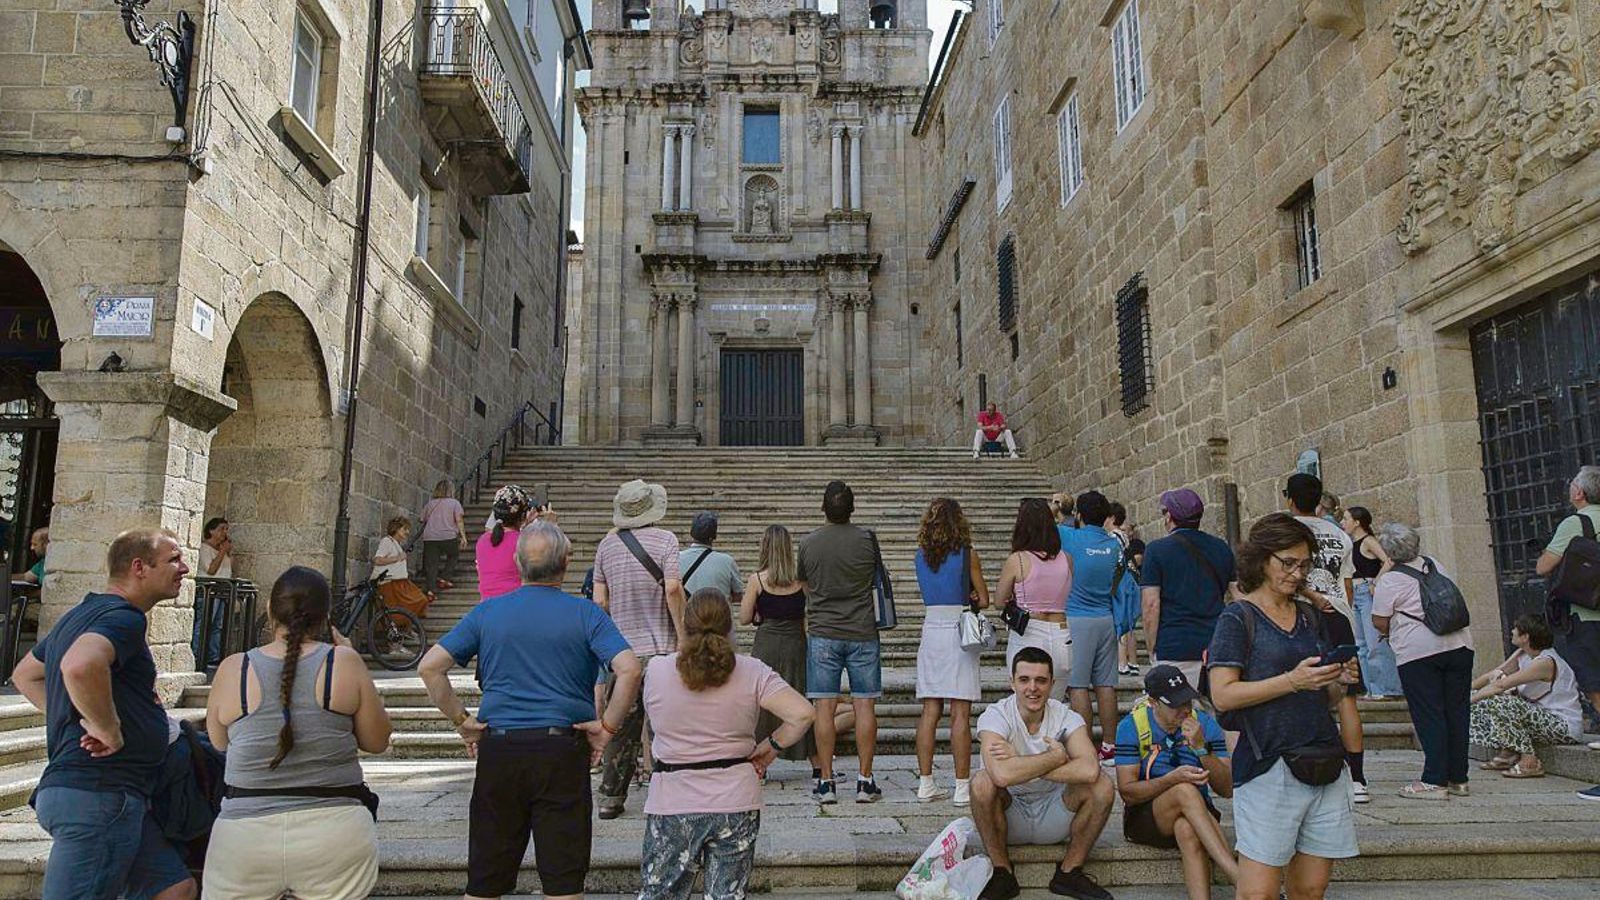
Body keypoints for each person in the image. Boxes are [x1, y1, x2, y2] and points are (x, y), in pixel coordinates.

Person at [418, 520, 644, 900]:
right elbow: (630, 668)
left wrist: (463, 721)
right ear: (565, 564)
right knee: (563, 880)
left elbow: (430, 667)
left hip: (500, 748)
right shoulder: (586, 614)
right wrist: (606, 728)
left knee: (485, 880)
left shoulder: (487, 612)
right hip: (561, 749)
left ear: (518, 563)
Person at [9, 528, 197, 900]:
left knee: (175, 888)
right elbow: (80, 665)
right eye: (174, 559)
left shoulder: (81, 614)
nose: (185, 568)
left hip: (111, 793)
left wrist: (77, 712)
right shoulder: (124, 618)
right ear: (139, 567)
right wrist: (105, 727)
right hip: (98, 794)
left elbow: (26, 673)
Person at [202, 566, 392, 899]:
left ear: (269, 610)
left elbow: (220, 742)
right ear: (326, 618)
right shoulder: (343, 662)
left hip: (245, 834)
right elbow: (377, 742)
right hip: (333, 829)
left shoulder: (235, 667)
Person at [1207, 514, 1358, 900]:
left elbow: (1323, 698)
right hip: (1268, 765)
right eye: (1287, 562)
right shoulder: (1238, 619)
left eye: (1304, 564)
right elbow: (1223, 695)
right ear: (1261, 560)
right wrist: (1292, 680)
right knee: (1258, 892)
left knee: (1310, 888)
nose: (1296, 573)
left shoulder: (1309, 617)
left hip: (1321, 758)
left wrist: (1336, 681)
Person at [638, 591, 816, 900]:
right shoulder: (752, 671)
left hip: (673, 798)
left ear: (685, 623)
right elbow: (803, 714)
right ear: (729, 626)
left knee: (660, 894)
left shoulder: (657, 669)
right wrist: (771, 746)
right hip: (735, 798)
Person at [971, 646, 1115, 900]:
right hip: (1008, 814)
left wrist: (1022, 762)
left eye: (1041, 680)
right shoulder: (996, 715)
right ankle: (1002, 872)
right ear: (1012, 682)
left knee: (1102, 785)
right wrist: (1056, 757)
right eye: (1024, 680)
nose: (1032, 688)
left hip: (1055, 812)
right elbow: (1001, 776)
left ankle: (1070, 872)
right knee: (982, 782)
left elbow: (1090, 769)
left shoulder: (1066, 717)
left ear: (1052, 684)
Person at [593, 478, 686, 818]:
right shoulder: (666, 540)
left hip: (624, 655)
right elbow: (673, 589)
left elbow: (599, 601)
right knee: (664, 725)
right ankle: (669, 791)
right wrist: (683, 636)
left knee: (621, 726)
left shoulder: (607, 546)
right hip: (662, 650)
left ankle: (611, 798)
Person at [1370, 522, 1475, 799]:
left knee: (1430, 713)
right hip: (1459, 645)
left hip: (1418, 652)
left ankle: (1434, 780)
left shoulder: (1390, 580)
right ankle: (1458, 778)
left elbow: (1379, 621)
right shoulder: (1435, 564)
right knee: (1457, 711)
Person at [1114, 666, 1237, 900]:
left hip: (1198, 813)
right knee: (1183, 789)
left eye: (1187, 702)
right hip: (1146, 816)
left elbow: (1227, 788)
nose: (1184, 710)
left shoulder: (1204, 724)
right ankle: (1239, 878)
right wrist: (1173, 778)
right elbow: (1128, 793)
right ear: (1153, 702)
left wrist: (1201, 748)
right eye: (1175, 704)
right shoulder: (1132, 726)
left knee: (1186, 827)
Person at [1285, 472, 1370, 803]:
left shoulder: (1291, 531)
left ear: (1290, 499)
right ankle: (1358, 778)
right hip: (1339, 615)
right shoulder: (1339, 534)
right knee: (1347, 696)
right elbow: (1346, 583)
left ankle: (1308, 767)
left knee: (1301, 689)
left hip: (1304, 613)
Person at [798, 479, 884, 804]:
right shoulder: (867, 540)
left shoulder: (808, 543)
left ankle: (826, 782)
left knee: (824, 707)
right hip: (862, 630)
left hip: (823, 631)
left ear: (823, 507)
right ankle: (864, 781)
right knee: (865, 704)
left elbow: (803, 582)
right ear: (852, 508)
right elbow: (875, 578)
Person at [912, 498, 990, 804]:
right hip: (959, 630)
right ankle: (961, 786)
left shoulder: (920, 557)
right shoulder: (968, 555)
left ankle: (925, 782)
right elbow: (983, 599)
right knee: (961, 711)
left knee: (930, 709)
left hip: (932, 628)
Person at [741, 525, 824, 765]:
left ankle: (759, 761)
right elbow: (810, 612)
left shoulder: (757, 580)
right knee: (800, 699)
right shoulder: (800, 581)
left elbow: (745, 618)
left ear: (765, 547)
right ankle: (816, 764)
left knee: (762, 702)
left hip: (766, 643)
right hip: (795, 644)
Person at [1140, 489, 1235, 688]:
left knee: (1176, 716)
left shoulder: (1156, 550)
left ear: (1170, 517)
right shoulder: (1221, 548)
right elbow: (1239, 594)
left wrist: (1152, 649)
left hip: (1175, 646)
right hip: (1216, 647)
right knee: (1216, 714)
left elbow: (1151, 605)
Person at [1471, 614, 1581, 780]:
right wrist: (1464, 692)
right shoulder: (1522, 654)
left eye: (1516, 629)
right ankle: (1509, 751)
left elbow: (1500, 685)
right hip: (1539, 720)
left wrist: (1463, 702)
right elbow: (1492, 676)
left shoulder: (1545, 662)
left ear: (1526, 637)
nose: (1512, 631)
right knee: (1481, 701)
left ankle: (1529, 760)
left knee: (1500, 702)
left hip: (1562, 725)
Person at [1059, 491, 1123, 764]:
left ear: (1080, 515)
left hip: (1077, 618)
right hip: (1105, 617)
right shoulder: (1113, 544)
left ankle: (1083, 745)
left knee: (1078, 686)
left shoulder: (1071, 537)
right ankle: (1110, 744)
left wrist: (1058, 505)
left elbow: (1047, 522)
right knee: (1106, 684)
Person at [1536, 466, 1600, 733]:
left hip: (1586, 611)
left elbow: (1544, 566)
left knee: (1591, 673)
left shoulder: (1576, 523)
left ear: (1579, 492)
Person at [997, 498, 1074, 701]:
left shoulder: (1018, 560)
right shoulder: (1067, 559)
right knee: (1055, 705)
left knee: (1026, 703)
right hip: (1061, 633)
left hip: (1028, 631)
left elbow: (999, 601)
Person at [1341, 506, 1400, 698]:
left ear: (1357, 522)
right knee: (1361, 645)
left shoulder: (1368, 541)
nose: (1343, 523)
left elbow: (1389, 561)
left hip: (1366, 591)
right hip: (1355, 593)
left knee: (1375, 643)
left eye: (1346, 519)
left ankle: (1387, 688)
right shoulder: (1352, 543)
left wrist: (1377, 581)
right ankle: (1371, 689)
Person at [476, 485, 533, 602]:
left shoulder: (483, 540)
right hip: (516, 605)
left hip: (486, 606)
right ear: (522, 515)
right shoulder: (524, 541)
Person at [374, 516, 432, 620]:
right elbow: (378, 560)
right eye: (404, 529)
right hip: (390, 583)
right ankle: (403, 629)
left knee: (419, 600)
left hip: (400, 583)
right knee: (399, 610)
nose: (407, 532)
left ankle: (407, 628)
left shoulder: (397, 544)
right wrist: (397, 558)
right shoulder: (387, 541)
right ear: (396, 529)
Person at [419, 479, 468, 595]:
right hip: (448, 536)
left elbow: (422, 519)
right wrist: (463, 536)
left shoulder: (430, 504)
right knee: (453, 554)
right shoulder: (455, 503)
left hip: (430, 537)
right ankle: (445, 577)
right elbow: (459, 520)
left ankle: (431, 590)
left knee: (431, 564)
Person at [680, 511, 744, 600]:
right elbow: (738, 595)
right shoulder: (727, 561)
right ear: (714, 536)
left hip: (686, 613)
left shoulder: (676, 559)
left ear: (692, 533)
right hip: (718, 612)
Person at [1115, 536, 1146, 677]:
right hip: (1132, 582)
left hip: (1122, 583)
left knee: (1121, 624)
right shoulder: (1125, 538)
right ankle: (1133, 662)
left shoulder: (1113, 536)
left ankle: (1122, 663)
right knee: (1130, 626)